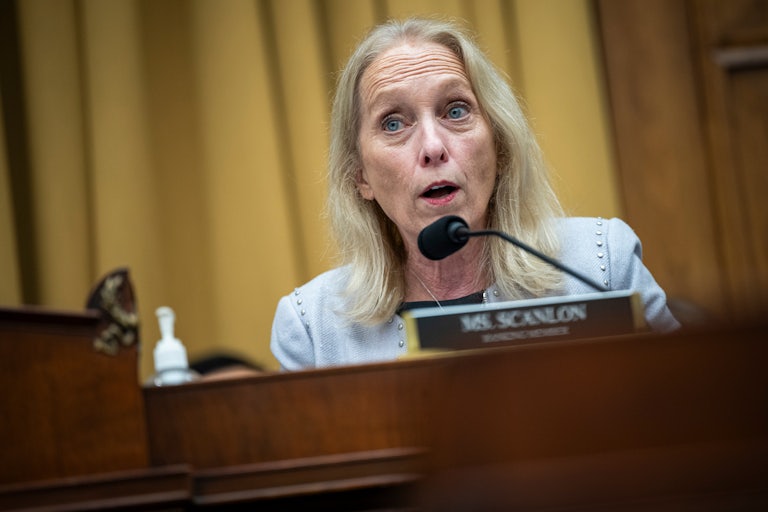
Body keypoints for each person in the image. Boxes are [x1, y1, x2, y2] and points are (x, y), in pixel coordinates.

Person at [270, 17, 679, 371]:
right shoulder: (313, 328)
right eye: (393, 123)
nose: (432, 147)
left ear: (499, 145)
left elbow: (694, 407)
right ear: (360, 175)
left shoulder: (601, 265)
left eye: (455, 110)